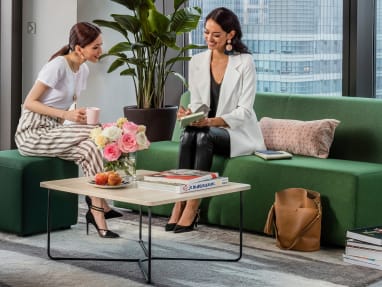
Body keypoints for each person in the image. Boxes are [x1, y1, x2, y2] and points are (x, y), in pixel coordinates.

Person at [14, 22, 121, 239]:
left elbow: (67, 107)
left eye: (101, 45)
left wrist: (75, 118)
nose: (101, 51)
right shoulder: (57, 66)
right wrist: (67, 116)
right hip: (32, 133)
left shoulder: (83, 69)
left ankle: (97, 213)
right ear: (79, 49)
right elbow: (29, 103)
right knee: (99, 132)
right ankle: (101, 207)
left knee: (91, 147)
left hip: (55, 131)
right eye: (96, 47)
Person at [165, 7, 266, 233]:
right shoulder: (198, 61)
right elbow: (199, 103)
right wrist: (189, 113)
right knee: (189, 134)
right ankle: (178, 202)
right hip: (205, 129)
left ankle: (192, 205)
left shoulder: (245, 62)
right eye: (206, 32)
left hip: (236, 133)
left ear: (230, 35)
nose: (209, 39)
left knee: (203, 137)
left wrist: (211, 122)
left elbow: (245, 112)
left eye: (216, 34)